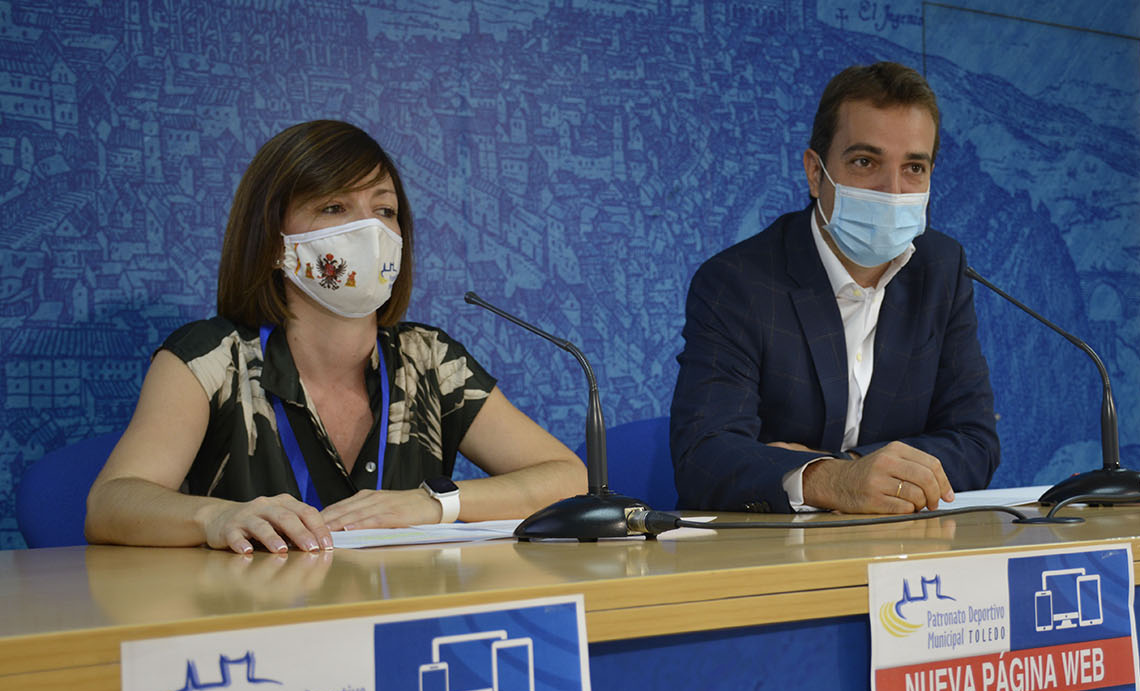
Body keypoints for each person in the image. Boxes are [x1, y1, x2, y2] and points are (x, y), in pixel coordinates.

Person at [86, 120, 585, 554]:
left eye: (384, 210)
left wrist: (433, 505)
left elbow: (567, 477)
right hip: (258, 631)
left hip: (403, 624)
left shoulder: (428, 359)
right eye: (333, 207)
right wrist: (213, 517)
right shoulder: (210, 359)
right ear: (272, 238)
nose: (369, 228)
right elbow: (111, 503)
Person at [670, 61, 999, 514]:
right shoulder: (737, 283)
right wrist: (839, 481)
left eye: (914, 168)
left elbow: (974, 441)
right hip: (773, 557)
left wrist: (845, 471)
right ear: (815, 172)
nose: (892, 190)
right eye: (865, 162)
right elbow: (703, 456)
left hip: (900, 547)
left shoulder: (941, 269)